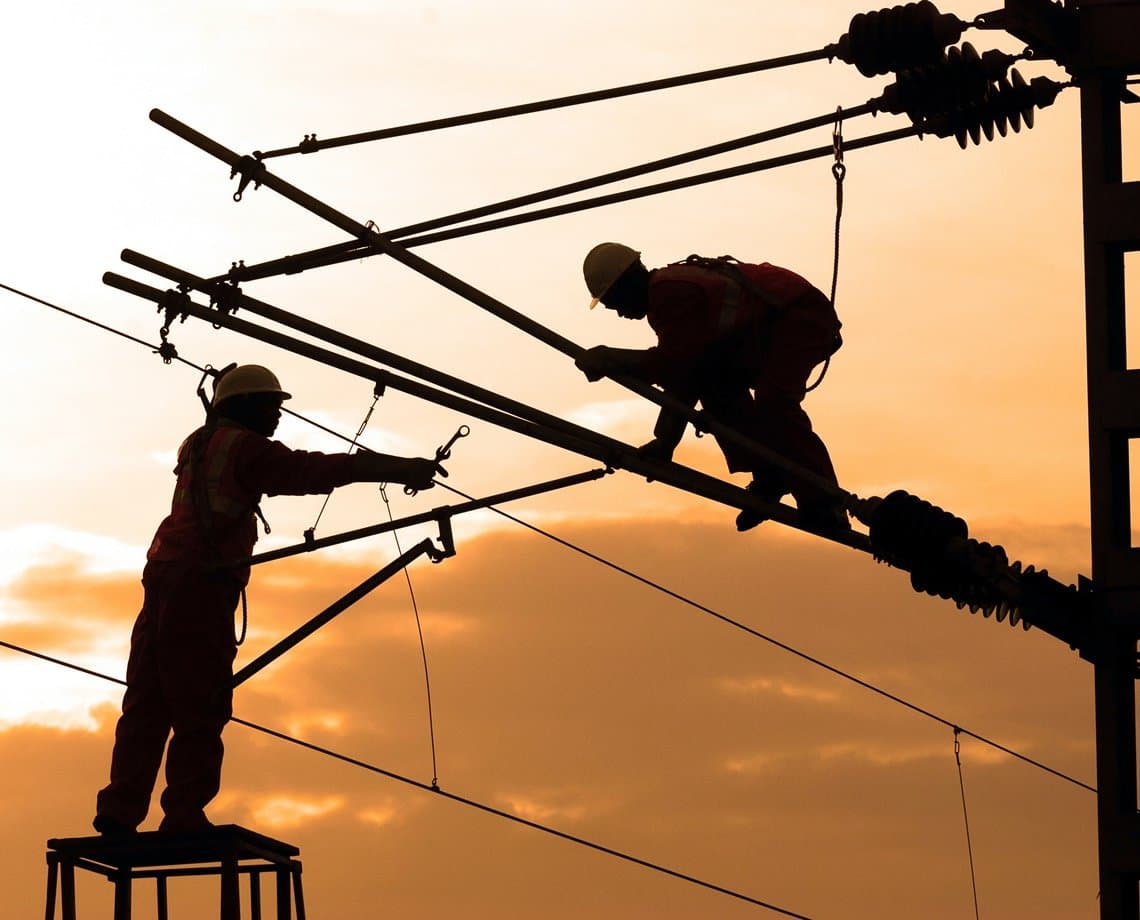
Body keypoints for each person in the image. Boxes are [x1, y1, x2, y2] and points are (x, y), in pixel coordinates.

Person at [94, 364, 445, 835]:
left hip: (164, 579)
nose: (277, 417)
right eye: (270, 407)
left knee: (149, 700)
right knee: (202, 702)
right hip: (201, 585)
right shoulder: (243, 449)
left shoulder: (198, 445)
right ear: (244, 407)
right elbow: (310, 468)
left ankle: (119, 811)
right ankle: (183, 815)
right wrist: (398, 467)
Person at [575, 243, 848, 533]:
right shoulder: (667, 293)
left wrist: (611, 359)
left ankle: (824, 503)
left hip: (797, 318)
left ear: (625, 285)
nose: (619, 314)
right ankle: (770, 475)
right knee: (717, 389)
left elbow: (676, 368)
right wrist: (665, 442)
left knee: (775, 403)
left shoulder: (670, 294)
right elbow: (690, 372)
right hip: (766, 331)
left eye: (613, 303)